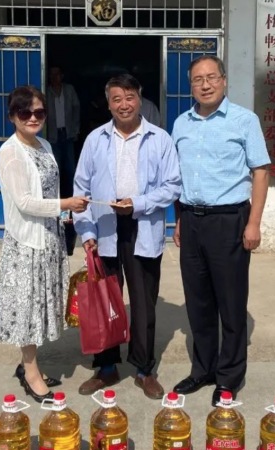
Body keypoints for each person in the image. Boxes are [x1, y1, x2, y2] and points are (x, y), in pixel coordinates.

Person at [73, 74, 182, 399]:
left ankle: (144, 368)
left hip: (142, 226)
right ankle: (106, 367)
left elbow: (172, 186)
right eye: (117, 98)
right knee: (105, 299)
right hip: (105, 225)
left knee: (144, 302)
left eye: (130, 97)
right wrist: (87, 231)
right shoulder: (95, 139)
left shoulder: (159, 139)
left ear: (141, 99)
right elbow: (82, 188)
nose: (124, 104)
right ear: (108, 103)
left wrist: (138, 203)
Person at [171, 56, 270, 406]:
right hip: (192, 221)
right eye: (198, 79)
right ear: (191, 85)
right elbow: (177, 177)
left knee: (230, 303)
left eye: (212, 77)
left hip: (229, 220)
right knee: (198, 302)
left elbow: (261, 171)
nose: (205, 84)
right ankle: (203, 369)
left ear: (224, 81)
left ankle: (228, 377)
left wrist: (253, 222)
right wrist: (179, 217)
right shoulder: (180, 123)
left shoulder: (244, 120)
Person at [0, 85, 88, 402]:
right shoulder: (10, 152)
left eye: (39, 112)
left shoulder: (44, 145)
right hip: (27, 243)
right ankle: (30, 372)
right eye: (25, 112)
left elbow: (46, 191)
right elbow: (25, 203)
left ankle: (31, 364)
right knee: (29, 309)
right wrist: (65, 205)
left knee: (44, 307)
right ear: (12, 116)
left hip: (49, 237)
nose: (33, 118)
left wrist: (63, 217)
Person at [46, 65, 81, 255]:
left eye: (57, 74)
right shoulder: (47, 92)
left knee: (71, 169)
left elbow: (76, 109)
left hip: (67, 134)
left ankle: (73, 201)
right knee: (55, 170)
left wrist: (75, 129)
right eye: (52, 74)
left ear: (62, 75)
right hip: (52, 135)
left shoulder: (69, 90)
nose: (55, 77)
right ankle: (58, 202)